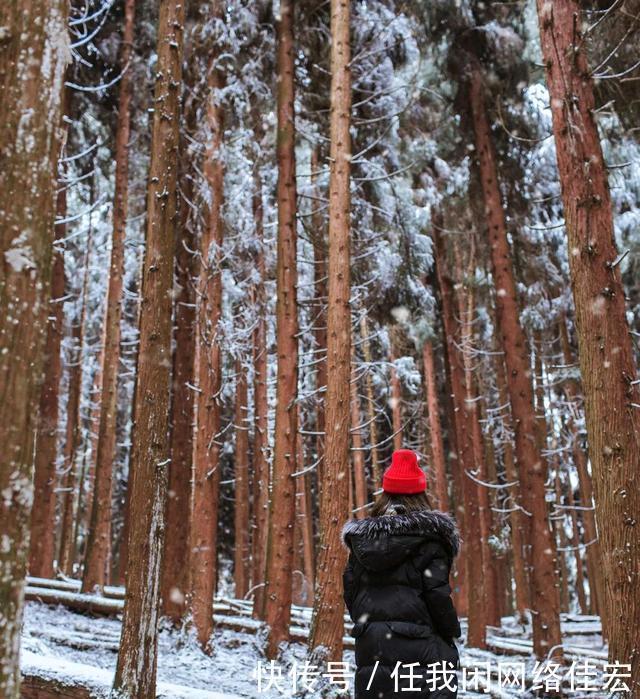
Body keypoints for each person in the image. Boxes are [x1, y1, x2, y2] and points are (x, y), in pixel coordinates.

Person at [342, 449, 461, 698]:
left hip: (373, 649)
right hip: (421, 649)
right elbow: (437, 597)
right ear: (421, 494)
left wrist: (373, 625)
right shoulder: (430, 540)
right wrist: (450, 631)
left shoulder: (362, 542)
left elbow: (352, 595)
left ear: (385, 494)